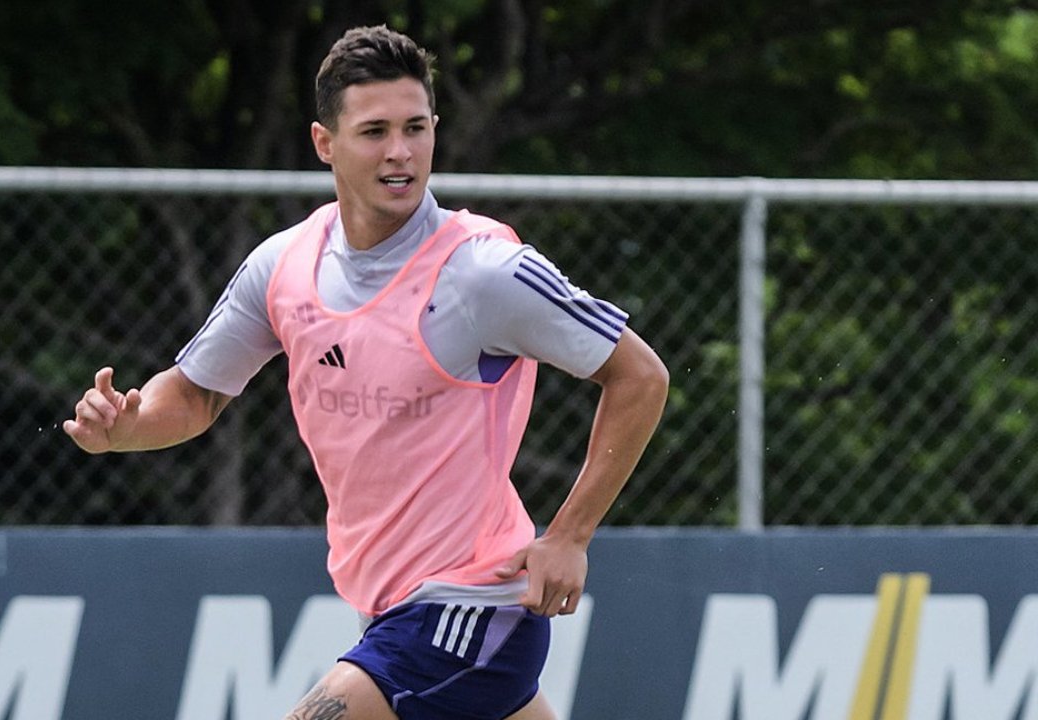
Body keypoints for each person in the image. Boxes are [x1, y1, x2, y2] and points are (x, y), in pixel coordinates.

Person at [64, 24, 668, 720]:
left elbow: (640, 376)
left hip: (471, 608)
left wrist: (569, 535)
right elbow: (197, 394)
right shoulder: (285, 266)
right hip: (389, 609)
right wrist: (124, 430)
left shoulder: (482, 273)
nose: (400, 152)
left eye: (416, 127)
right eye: (375, 131)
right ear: (325, 142)